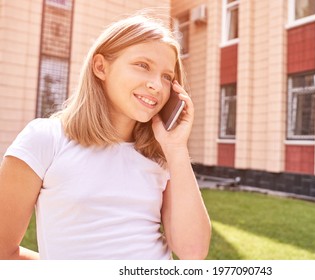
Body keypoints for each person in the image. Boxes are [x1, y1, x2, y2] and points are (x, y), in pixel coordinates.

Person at [0, 13, 211, 260]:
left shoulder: (162, 157)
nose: (157, 85)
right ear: (101, 67)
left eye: (167, 76)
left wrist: (176, 149)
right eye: (143, 65)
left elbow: (193, 252)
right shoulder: (45, 139)